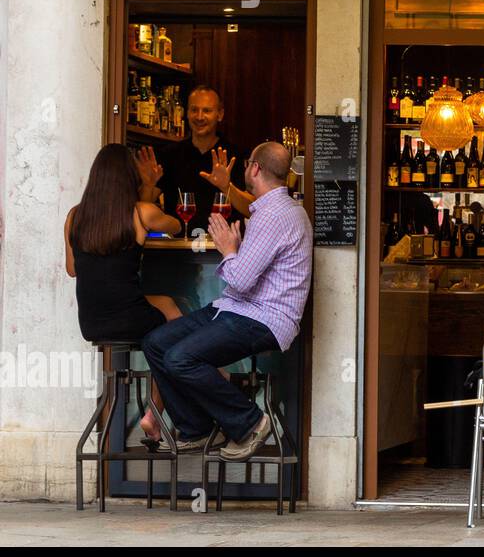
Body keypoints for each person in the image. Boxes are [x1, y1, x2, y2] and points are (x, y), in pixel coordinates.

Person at [142, 142, 311, 461]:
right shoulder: (274, 209)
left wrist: (228, 248)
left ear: (255, 168)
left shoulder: (274, 216)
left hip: (263, 318)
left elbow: (242, 279)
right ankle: (196, 428)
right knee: (156, 343)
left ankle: (250, 422)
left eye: (248, 163)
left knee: (180, 358)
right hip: (238, 309)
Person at [64, 143, 183, 445]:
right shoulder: (142, 213)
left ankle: (160, 412)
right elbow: (178, 226)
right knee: (173, 330)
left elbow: (72, 270)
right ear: (129, 177)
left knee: (167, 305)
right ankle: (155, 413)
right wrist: (150, 189)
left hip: (92, 323)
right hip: (129, 317)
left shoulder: (74, 217)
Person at [137, 85, 248, 226]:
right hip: (178, 245)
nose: (200, 117)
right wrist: (147, 185)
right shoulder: (169, 154)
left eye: (207, 111)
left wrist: (227, 188)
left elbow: (253, 209)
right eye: (194, 110)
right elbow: (142, 209)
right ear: (187, 113)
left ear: (220, 114)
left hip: (222, 246)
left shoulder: (235, 155)